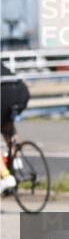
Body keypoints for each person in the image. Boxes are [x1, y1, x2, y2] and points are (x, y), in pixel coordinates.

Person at [1, 61, 31, 193]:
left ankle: (6, 177)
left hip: (4, 94)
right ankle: (16, 158)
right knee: (6, 123)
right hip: (21, 91)